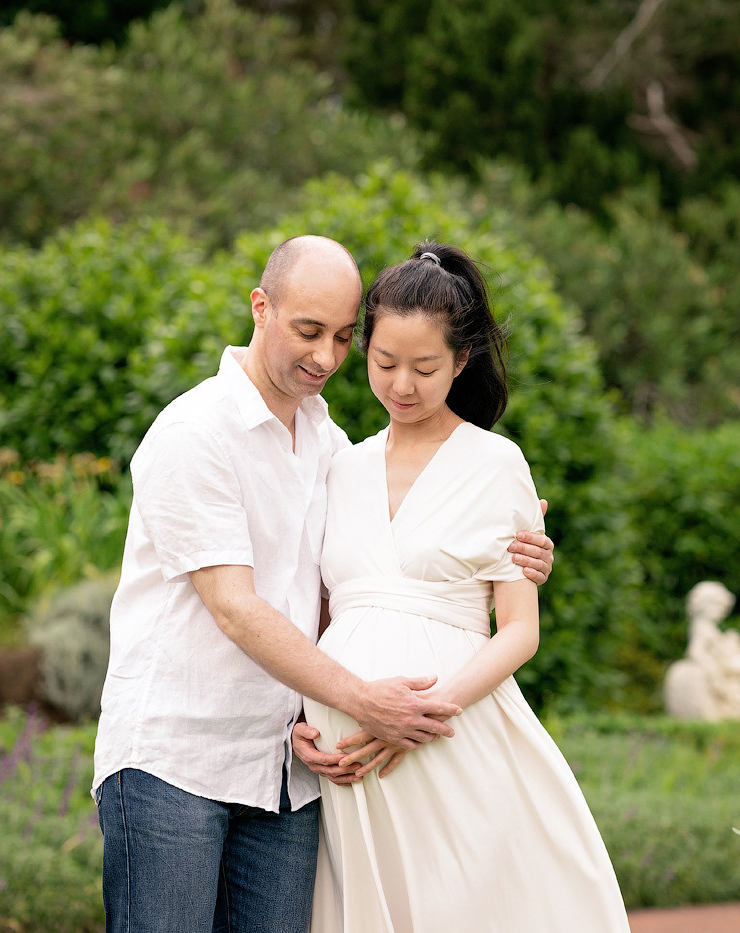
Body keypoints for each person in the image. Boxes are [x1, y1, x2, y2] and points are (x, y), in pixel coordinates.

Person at [90, 235, 556, 933]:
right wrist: (362, 701)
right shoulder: (195, 432)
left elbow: (356, 590)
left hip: (289, 772)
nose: (327, 357)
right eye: (309, 331)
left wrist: (514, 542)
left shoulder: (331, 448)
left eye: (342, 337)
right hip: (177, 763)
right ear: (260, 308)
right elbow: (235, 608)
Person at [303, 242, 629, 931]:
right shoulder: (340, 467)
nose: (402, 385)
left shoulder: (496, 464)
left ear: (461, 361)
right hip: (349, 761)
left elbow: (520, 630)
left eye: (425, 368)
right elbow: (316, 616)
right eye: (384, 363)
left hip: (447, 737)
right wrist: (301, 720)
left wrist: (421, 714)